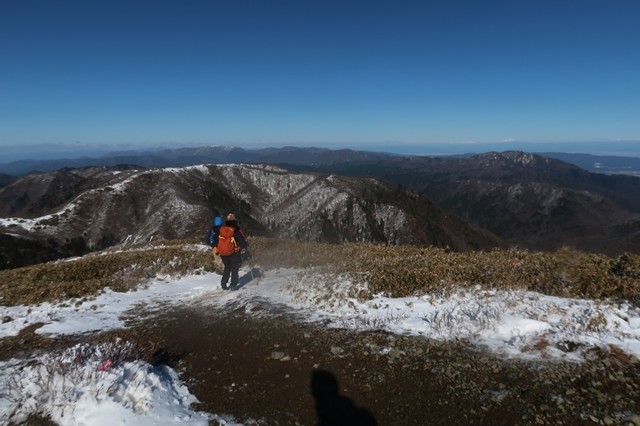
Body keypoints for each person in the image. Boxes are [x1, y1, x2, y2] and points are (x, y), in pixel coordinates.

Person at [216, 213, 248, 290]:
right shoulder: (236, 230)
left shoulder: (222, 229)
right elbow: (243, 243)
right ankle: (233, 285)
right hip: (233, 253)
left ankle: (223, 282)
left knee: (227, 267)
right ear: (235, 220)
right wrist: (242, 246)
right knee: (234, 268)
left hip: (223, 253)